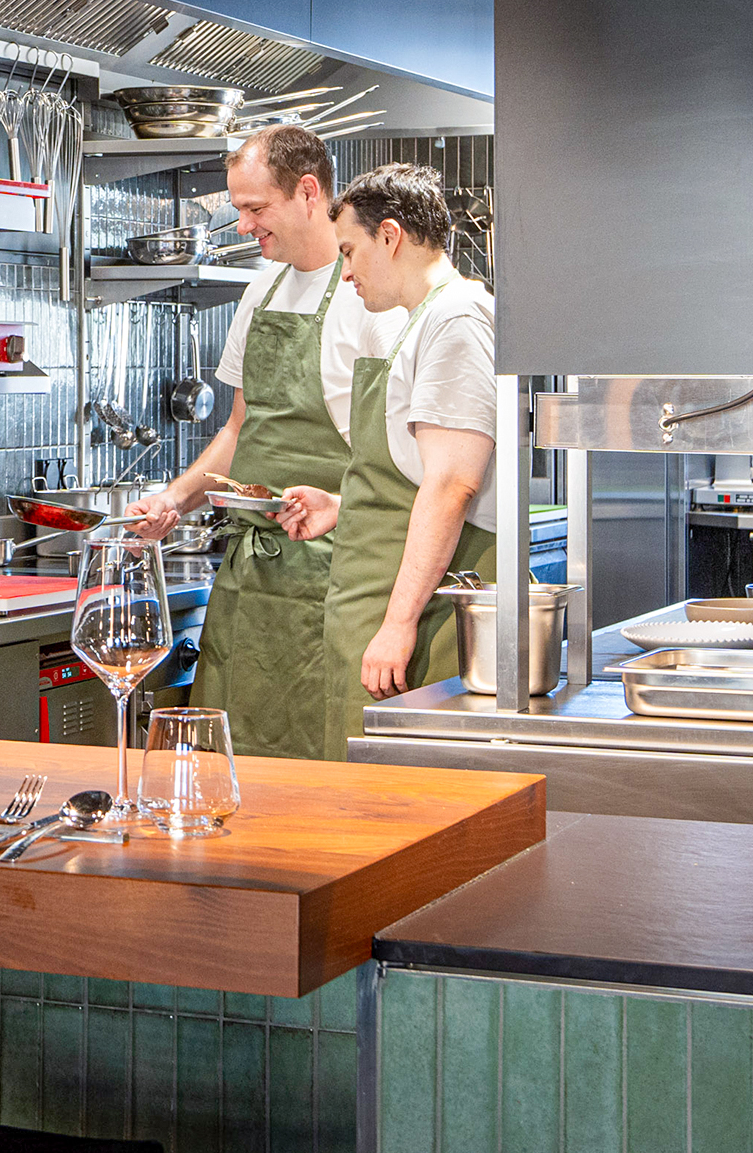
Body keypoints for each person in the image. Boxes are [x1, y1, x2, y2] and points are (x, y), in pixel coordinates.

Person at [125, 126, 397, 761]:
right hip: (251, 579)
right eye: (238, 209)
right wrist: (174, 500)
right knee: (236, 763)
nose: (244, 227)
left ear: (308, 193)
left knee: (325, 768)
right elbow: (238, 429)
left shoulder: (372, 300)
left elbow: (393, 461)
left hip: (335, 576)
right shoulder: (261, 290)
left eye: (254, 209)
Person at [275, 163, 498, 758]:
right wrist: (344, 507)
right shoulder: (419, 321)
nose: (345, 272)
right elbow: (416, 477)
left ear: (391, 236)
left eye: (350, 251)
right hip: (383, 607)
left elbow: (452, 485)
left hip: (427, 622)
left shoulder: (456, 321)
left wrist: (399, 624)